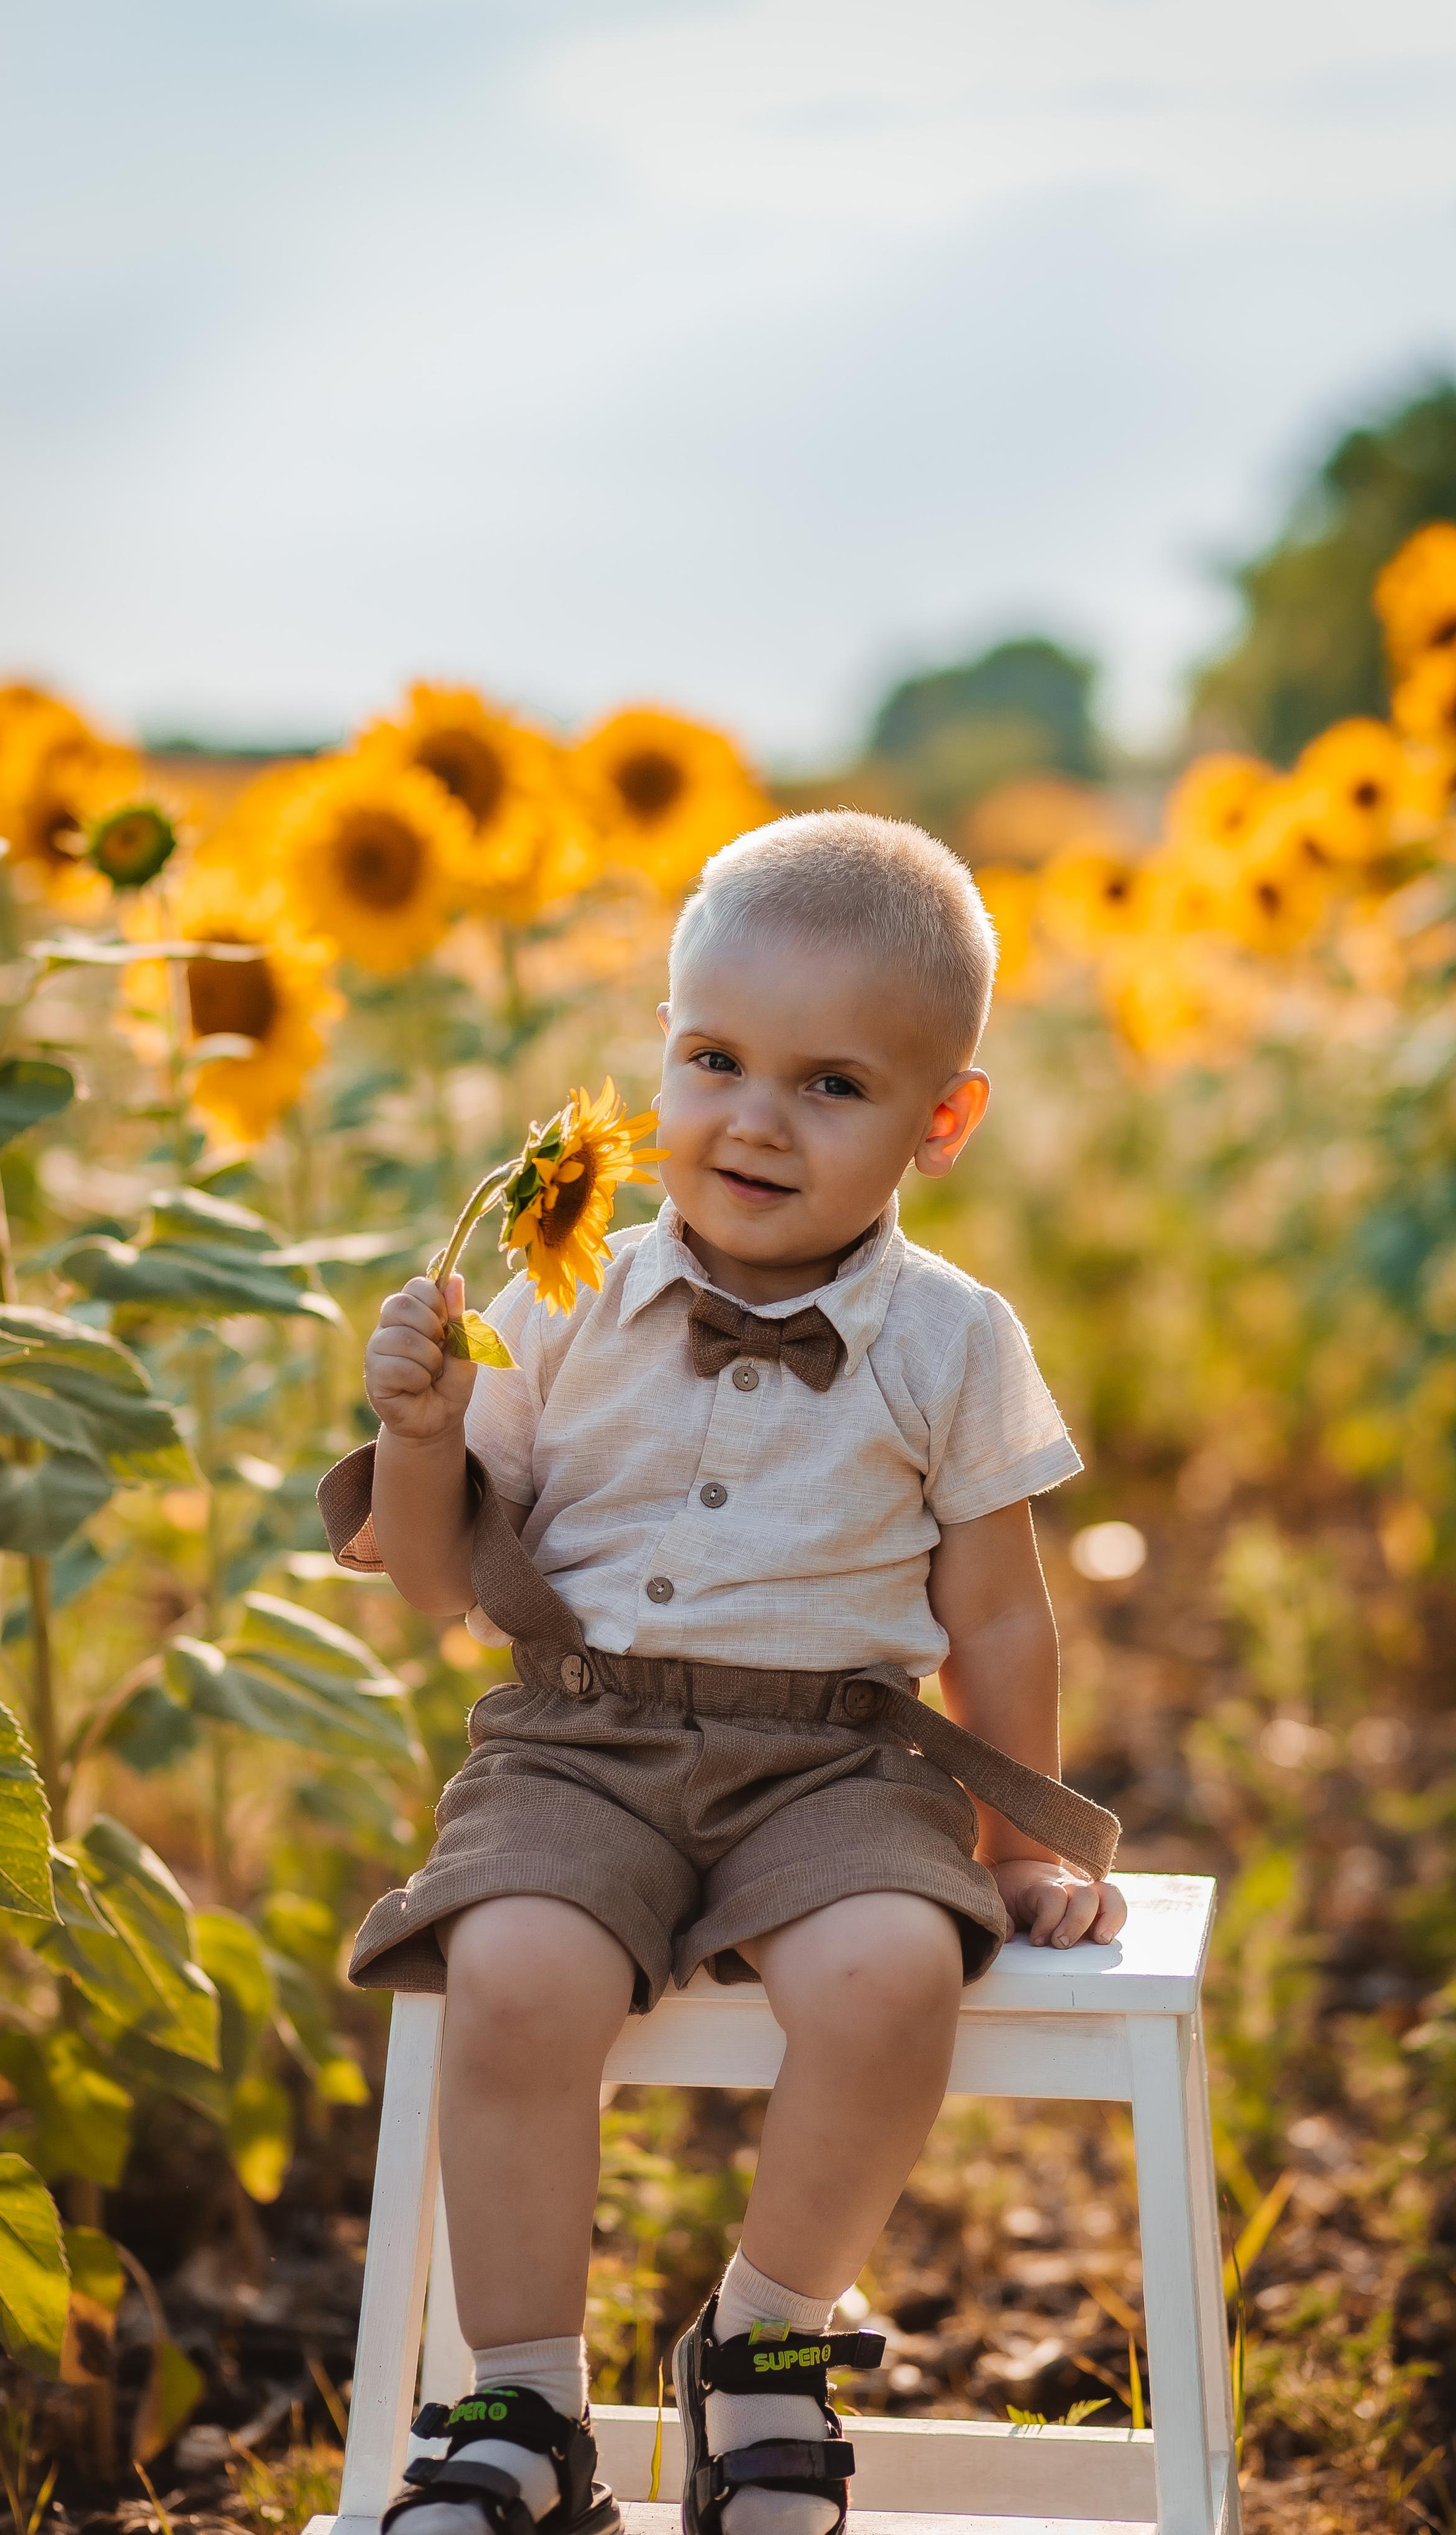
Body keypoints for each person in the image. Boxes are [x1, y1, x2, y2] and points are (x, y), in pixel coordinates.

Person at [319, 811, 1125, 2535]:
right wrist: (419, 1430)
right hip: (581, 1744)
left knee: (896, 1972)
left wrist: (1030, 1845)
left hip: (836, 1768)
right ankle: (524, 2406)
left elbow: (998, 1614)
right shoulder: (560, 1288)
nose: (754, 1117)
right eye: (714, 1058)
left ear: (944, 1117)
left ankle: (766, 2341)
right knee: (513, 1968)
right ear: (660, 1055)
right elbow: (439, 1578)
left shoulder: (950, 1338)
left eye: (834, 1085)